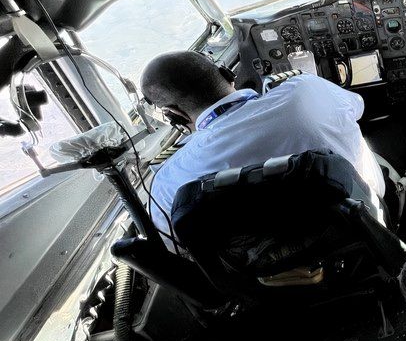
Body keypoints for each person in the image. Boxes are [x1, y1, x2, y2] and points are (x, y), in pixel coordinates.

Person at [141, 51, 386, 241]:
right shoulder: (305, 89)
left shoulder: (168, 181)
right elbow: (358, 106)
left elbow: (174, 244)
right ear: (227, 73)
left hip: (273, 285)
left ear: (173, 114)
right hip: (368, 231)